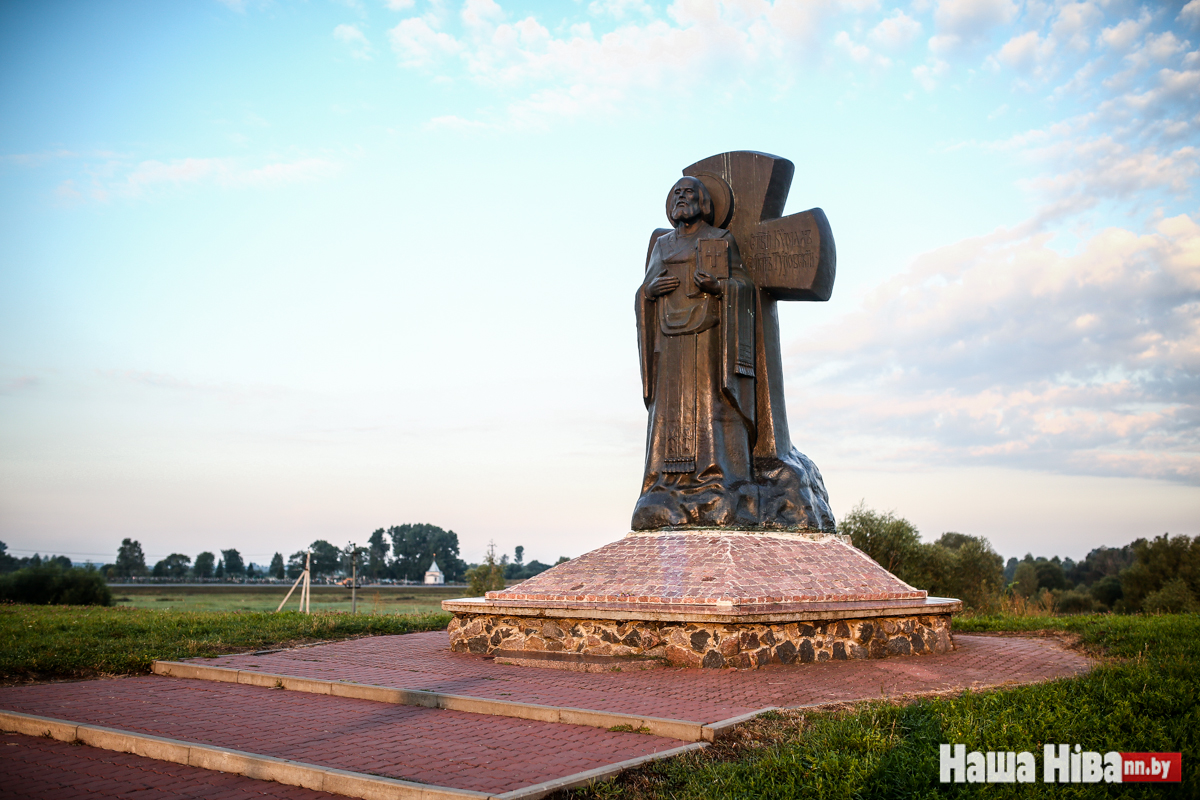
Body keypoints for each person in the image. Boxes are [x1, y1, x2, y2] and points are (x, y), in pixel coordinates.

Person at [633, 177, 759, 529]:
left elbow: (743, 286)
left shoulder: (721, 240)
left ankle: (716, 478)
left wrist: (718, 287)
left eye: (689, 193)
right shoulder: (661, 245)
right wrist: (650, 291)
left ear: (703, 201)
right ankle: (665, 483)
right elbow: (644, 292)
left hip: (707, 337)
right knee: (670, 409)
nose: (682, 198)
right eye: (677, 193)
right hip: (670, 342)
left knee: (708, 406)